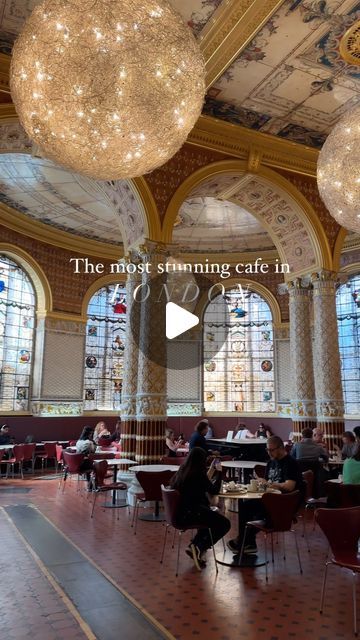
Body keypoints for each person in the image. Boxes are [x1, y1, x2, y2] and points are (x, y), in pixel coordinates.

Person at [227, 436, 305, 554]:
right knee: (245, 505)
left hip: (285, 503)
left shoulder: (291, 463)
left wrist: (270, 483)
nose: (269, 453)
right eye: (267, 450)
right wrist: (262, 484)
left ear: (281, 448)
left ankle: (243, 541)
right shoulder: (270, 463)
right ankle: (247, 543)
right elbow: (269, 486)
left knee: (253, 511)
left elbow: (290, 486)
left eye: (271, 450)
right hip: (271, 500)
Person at [171, 447, 231, 570]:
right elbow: (213, 490)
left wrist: (211, 470)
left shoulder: (183, 471)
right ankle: (200, 547)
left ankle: (194, 546)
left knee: (209, 518)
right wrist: (219, 473)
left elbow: (204, 484)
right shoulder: (198, 474)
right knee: (225, 524)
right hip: (193, 513)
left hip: (180, 513)